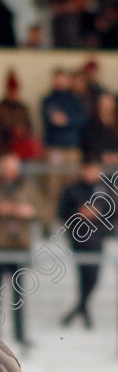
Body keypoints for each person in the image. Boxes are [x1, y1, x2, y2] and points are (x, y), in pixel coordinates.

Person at [0, 153, 41, 348]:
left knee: (19, 294)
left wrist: (29, 210)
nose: (9, 171)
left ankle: (20, 334)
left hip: (20, 245)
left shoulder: (27, 187)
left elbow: (42, 208)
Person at [57, 162, 111, 329]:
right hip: (78, 238)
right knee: (83, 275)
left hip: (97, 238)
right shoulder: (72, 189)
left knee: (94, 277)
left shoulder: (105, 190)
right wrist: (79, 213)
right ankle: (83, 310)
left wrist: (99, 216)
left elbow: (113, 213)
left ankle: (79, 309)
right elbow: (62, 212)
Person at [40, 68, 88, 224]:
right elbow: (51, 120)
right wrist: (67, 122)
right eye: (57, 79)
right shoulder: (48, 100)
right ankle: (49, 223)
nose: (60, 82)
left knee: (71, 186)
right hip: (54, 148)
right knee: (52, 186)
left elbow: (81, 120)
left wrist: (66, 121)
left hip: (72, 149)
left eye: (63, 79)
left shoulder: (76, 100)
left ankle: (70, 223)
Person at [0, 70, 33, 158]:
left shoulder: (23, 109)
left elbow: (30, 128)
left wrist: (22, 132)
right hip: (4, 149)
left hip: (21, 151)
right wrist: (8, 132)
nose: (14, 94)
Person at [81, 92, 118, 166]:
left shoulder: (115, 124)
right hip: (97, 164)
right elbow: (89, 146)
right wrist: (102, 156)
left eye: (109, 103)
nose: (107, 107)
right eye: (104, 103)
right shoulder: (92, 125)